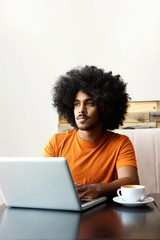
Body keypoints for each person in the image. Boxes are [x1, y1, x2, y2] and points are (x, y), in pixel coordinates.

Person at [42, 65, 139, 200]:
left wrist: (96, 189)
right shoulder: (56, 142)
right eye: (77, 104)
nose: (81, 110)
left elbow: (131, 181)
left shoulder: (121, 143)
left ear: (105, 107)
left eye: (90, 103)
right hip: (65, 210)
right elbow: (43, 183)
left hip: (107, 214)